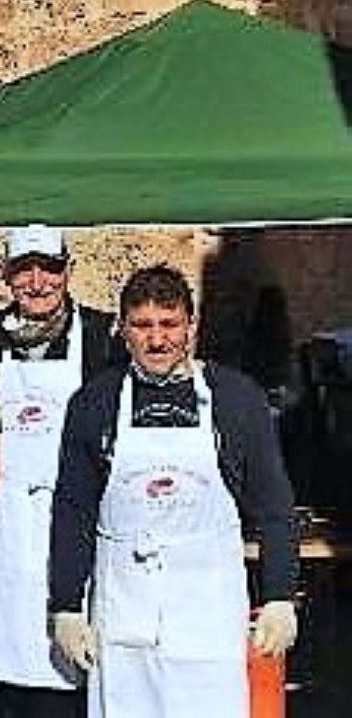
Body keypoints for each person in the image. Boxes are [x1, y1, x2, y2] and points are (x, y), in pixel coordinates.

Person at [49, 265, 299, 717]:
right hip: (123, 620)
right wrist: (65, 604)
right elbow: (73, 510)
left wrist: (280, 596)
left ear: (191, 326)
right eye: (143, 326)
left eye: (169, 324)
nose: (157, 340)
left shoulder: (236, 400)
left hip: (207, 616)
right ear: (122, 329)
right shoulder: (94, 403)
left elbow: (275, 508)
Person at [0, 225, 125, 717]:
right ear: (7, 276)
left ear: (67, 271)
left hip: (73, 522)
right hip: (6, 522)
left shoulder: (102, 336)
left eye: (49, 268)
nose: (37, 282)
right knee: (3, 668)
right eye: (24, 270)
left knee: (72, 672)